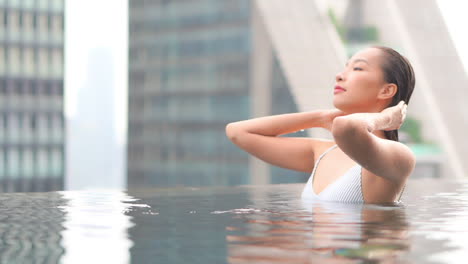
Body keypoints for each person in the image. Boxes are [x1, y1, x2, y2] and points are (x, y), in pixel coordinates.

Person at [225, 46, 416, 204]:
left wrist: (386, 118)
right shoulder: (322, 153)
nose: (340, 76)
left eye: (357, 68)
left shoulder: (399, 156)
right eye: (346, 67)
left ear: (386, 90)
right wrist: (321, 117)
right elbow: (237, 132)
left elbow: (347, 128)